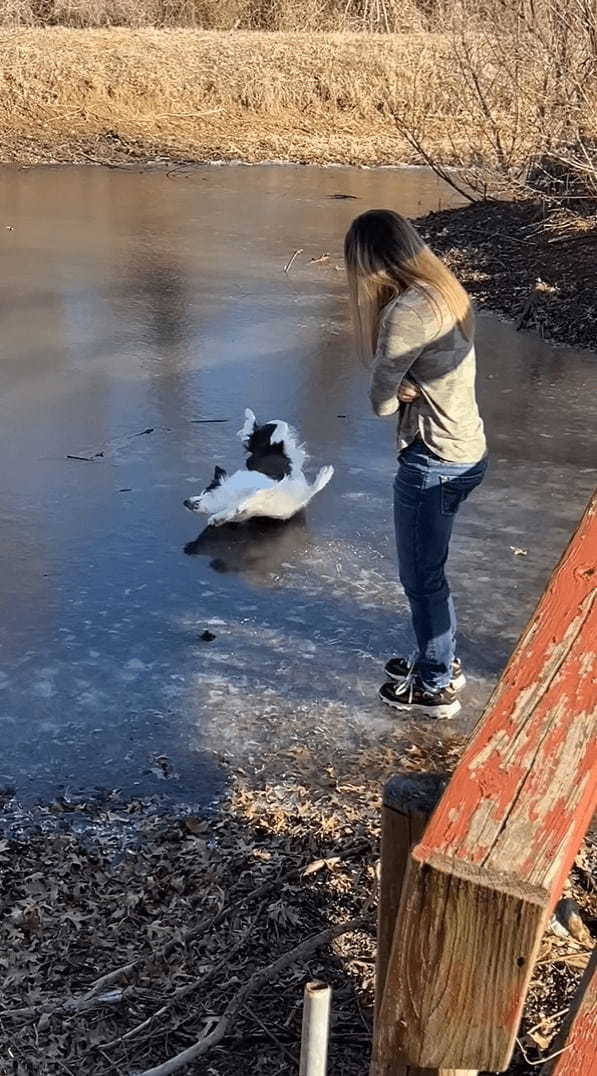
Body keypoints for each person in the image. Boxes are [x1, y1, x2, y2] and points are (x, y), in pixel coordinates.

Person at [344, 209, 487, 718]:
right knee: (430, 572)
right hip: (467, 450)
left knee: (422, 578)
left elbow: (382, 396)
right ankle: (439, 659)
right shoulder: (445, 290)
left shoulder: (407, 311)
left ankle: (435, 686)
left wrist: (397, 394)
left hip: (434, 460)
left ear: (369, 261)